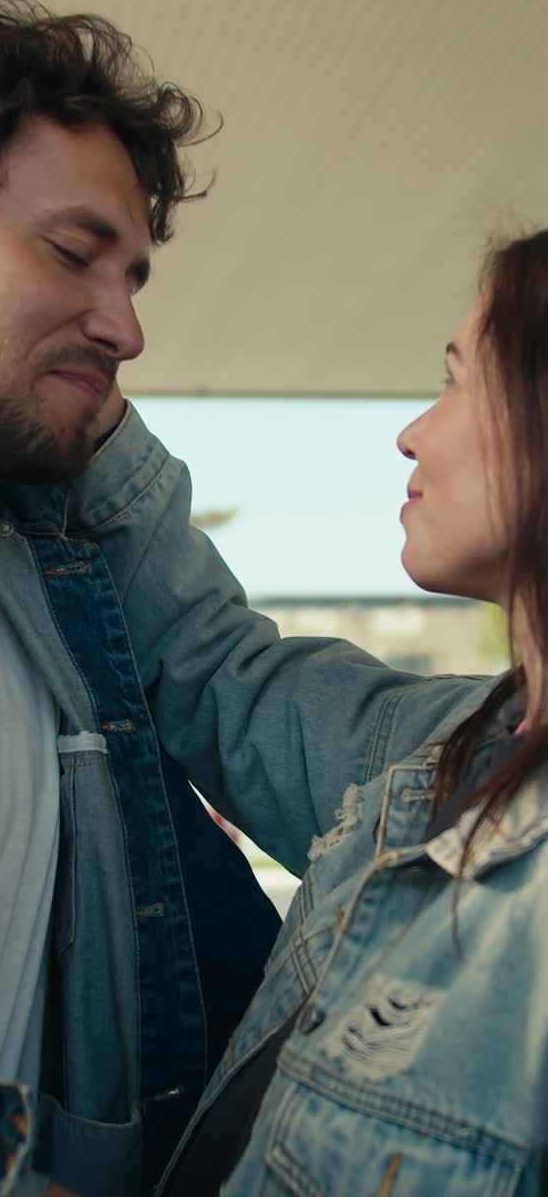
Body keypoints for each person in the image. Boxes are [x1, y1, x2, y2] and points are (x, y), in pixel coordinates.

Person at [0, 0, 283, 1197]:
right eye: (69, 252)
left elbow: (225, 973)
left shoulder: (58, 587)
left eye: (133, 276)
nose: (126, 325)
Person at [76, 231, 548, 1193]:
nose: (413, 432)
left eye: (459, 381)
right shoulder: (450, 753)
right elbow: (223, 671)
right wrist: (81, 409)